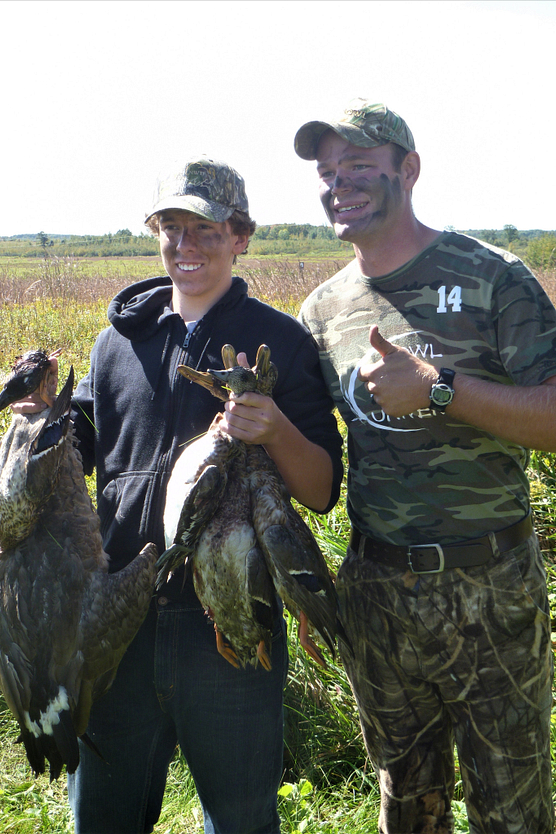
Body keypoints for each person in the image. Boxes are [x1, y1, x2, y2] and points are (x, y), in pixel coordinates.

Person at [19, 157, 343, 833]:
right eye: (172, 226)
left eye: (207, 229)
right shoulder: (116, 344)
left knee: (243, 820)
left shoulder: (279, 340)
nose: (186, 245)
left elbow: (320, 490)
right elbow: (78, 448)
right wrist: (43, 418)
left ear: (241, 235)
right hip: (116, 623)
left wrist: (275, 427)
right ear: (155, 233)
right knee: (104, 818)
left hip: (230, 622)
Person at [294, 98, 556, 834]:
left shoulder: (491, 277)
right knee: (408, 808)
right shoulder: (322, 311)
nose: (337, 183)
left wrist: (438, 390)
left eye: (358, 167)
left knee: (514, 814)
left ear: (408, 169)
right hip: (377, 594)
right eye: (326, 172)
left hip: (490, 592)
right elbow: (321, 460)